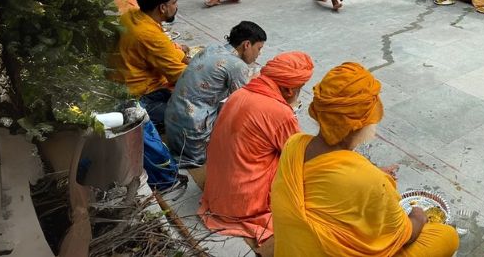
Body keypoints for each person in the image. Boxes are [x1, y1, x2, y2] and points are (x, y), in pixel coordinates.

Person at [271, 62, 459, 256]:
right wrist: (418, 216)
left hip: (293, 248)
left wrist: (372, 174)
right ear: (359, 125)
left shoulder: (294, 144)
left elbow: (333, 189)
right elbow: (405, 233)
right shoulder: (368, 180)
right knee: (446, 236)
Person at [199, 52, 315, 245]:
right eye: (299, 89)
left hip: (218, 193)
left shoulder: (239, 93)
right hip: (243, 203)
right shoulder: (280, 112)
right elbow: (299, 157)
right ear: (288, 90)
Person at [165, 21, 267, 167]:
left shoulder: (213, 47)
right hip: (194, 136)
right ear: (246, 45)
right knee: (249, 126)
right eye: (259, 48)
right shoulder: (237, 65)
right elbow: (244, 102)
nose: (259, 54)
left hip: (173, 122)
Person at [113, 0, 188, 126]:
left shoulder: (132, 15)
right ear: (162, 8)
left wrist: (180, 53)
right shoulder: (149, 35)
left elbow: (162, 50)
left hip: (121, 86)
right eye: (174, 3)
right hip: (141, 98)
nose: (176, 6)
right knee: (194, 113)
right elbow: (180, 76)